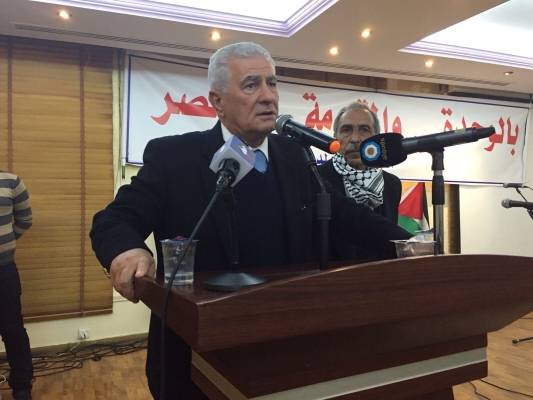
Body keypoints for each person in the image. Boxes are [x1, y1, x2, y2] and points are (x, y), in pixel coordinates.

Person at [90, 42, 411, 399]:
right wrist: (127, 250)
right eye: (251, 85)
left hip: (283, 354)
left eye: (272, 83)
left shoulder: (294, 155)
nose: (268, 96)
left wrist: (409, 244)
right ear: (217, 101)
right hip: (196, 361)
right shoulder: (174, 157)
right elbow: (114, 219)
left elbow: (347, 216)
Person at [319, 102, 402, 262]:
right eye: (346, 130)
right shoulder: (319, 178)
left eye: (364, 130)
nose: (355, 139)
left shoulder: (392, 184)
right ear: (335, 137)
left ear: (376, 137)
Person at [0, 171, 33, 400]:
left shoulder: (11, 181)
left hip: (4, 271)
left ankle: (22, 386)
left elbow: (25, 220)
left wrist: (6, 243)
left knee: (13, 330)